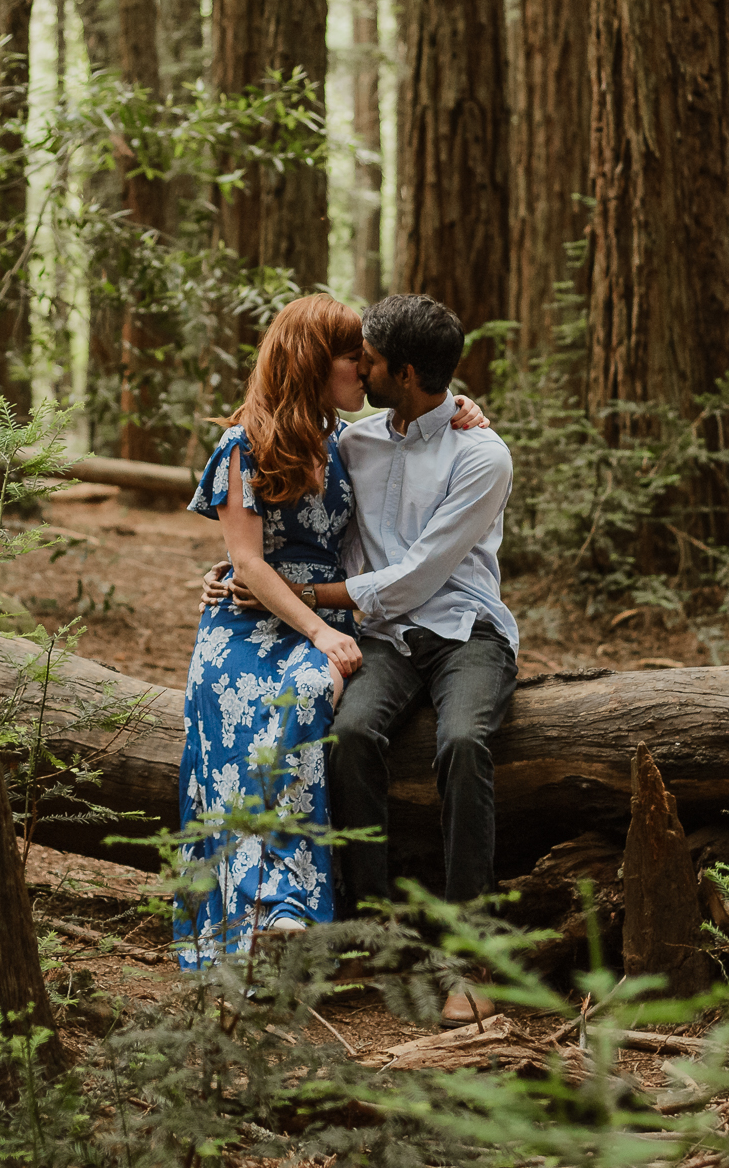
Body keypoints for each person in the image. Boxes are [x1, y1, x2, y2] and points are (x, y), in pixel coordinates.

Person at [207, 293, 516, 1019]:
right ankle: (375, 936)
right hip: (382, 641)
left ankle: (467, 954)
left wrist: (306, 592)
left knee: (466, 743)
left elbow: (416, 576)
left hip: (464, 630)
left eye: (369, 356)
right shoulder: (353, 442)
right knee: (346, 737)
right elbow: (272, 509)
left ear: (404, 372)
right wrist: (235, 570)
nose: (359, 365)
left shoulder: (482, 454)